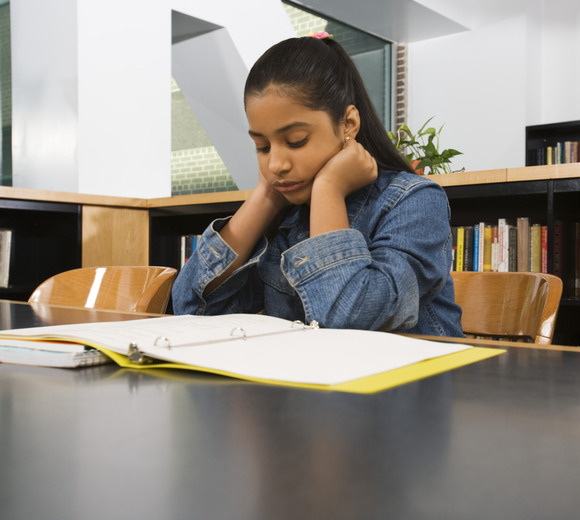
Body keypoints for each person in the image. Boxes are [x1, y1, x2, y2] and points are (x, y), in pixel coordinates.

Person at [172, 33, 463, 337]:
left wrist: (329, 188)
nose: (276, 164)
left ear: (348, 125)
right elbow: (190, 310)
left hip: (411, 382)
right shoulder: (287, 211)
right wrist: (265, 195)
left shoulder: (414, 203)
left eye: (296, 141)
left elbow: (348, 320)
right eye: (262, 146)